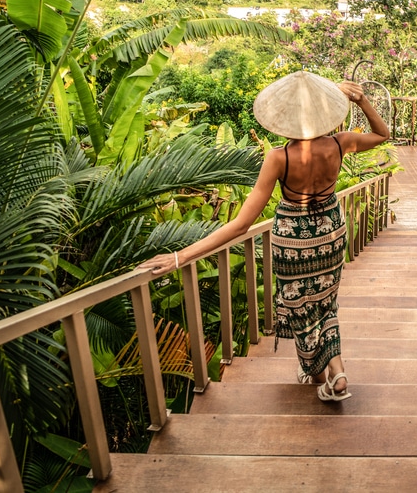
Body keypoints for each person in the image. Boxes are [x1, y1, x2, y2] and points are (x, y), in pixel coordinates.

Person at [138, 71, 390, 402]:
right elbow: (382, 134)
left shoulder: (279, 158)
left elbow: (242, 224)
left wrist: (181, 256)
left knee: (301, 306)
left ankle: (324, 372)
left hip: (292, 242)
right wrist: (361, 99)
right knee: (325, 304)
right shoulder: (340, 143)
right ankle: (333, 373)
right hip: (329, 234)